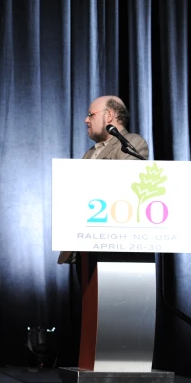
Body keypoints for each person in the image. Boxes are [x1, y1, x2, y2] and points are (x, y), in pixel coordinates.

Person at [57, 95, 149, 267]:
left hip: (114, 245)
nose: (86, 120)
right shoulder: (89, 153)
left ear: (109, 116)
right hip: (85, 246)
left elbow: (127, 184)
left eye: (91, 114)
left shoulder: (132, 143)